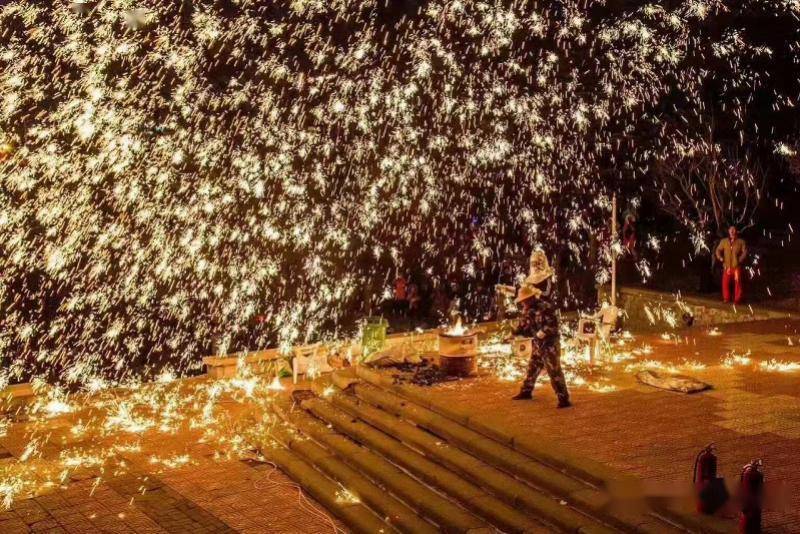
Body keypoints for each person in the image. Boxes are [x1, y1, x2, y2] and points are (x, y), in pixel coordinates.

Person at [511, 251, 571, 408]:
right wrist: (514, 333)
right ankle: (526, 391)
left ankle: (563, 398)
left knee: (554, 371)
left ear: (530, 299)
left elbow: (553, 325)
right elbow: (525, 325)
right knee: (532, 367)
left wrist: (542, 332)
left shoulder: (545, 307)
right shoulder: (529, 310)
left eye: (524, 301)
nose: (522, 304)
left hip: (550, 344)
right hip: (539, 344)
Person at [715, 226, 747, 304]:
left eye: (734, 230)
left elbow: (745, 252)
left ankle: (737, 299)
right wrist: (720, 258)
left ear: (736, 231)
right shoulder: (724, 241)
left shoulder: (741, 242)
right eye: (731, 230)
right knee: (725, 282)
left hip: (736, 267)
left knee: (737, 283)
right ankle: (726, 298)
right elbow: (718, 250)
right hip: (727, 266)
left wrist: (739, 260)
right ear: (729, 231)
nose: (732, 231)